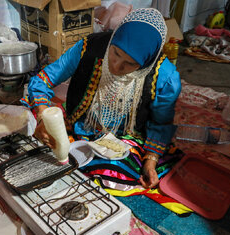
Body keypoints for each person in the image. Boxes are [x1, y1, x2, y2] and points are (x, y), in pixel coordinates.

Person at [21, 8, 181, 189]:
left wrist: (151, 162)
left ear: (146, 64)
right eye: (115, 53)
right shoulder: (88, 48)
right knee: (29, 126)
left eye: (130, 63)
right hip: (80, 124)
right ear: (113, 40)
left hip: (127, 137)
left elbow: (161, 123)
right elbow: (42, 81)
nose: (116, 65)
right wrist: (42, 115)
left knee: (113, 174)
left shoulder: (165, 77)